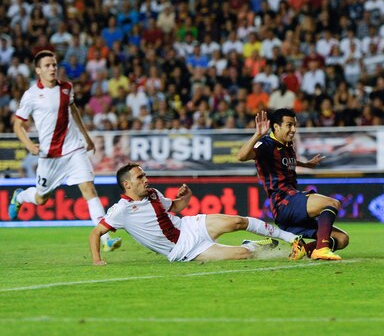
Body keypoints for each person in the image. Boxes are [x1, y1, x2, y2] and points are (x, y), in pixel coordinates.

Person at [9, 50, 122, 252]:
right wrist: (29, 145)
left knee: (89, 188)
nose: (52, 68)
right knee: (41, 199)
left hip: (73, 149)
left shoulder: (67, 88)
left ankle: (105, 239)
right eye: (47, 65)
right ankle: (20, 196)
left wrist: (86, 137)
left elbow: (73, 110)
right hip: (49, 157)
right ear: (38, 70)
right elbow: (17, 124)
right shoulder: (31, 95)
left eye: (54, 65)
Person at [90, 163, 304, 265]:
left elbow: (174, 208)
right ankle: (254, 245)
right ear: (127, 184)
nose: (146, 179)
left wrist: (187, 196)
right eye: (140, 177)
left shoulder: (153, 193)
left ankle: (292, 238)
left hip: (190, 226)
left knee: (238, 221)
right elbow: (95, 233)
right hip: (184, 250)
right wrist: (97, 260)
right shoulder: (121, 210)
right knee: (244, 255)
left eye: (144, 174)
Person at [237, 109, 349, 260]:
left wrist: (307, 164)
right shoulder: (266, 145)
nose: (293, 129)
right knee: (332, 203)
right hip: (283, 202)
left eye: (295, 125)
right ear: (276, 127)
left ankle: (303, 249)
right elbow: (241, 156)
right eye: (289, 125)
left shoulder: (287, 146)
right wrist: (257, 135)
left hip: (292, 206)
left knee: (342, 239)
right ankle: (321, 250)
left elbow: (286, 162)